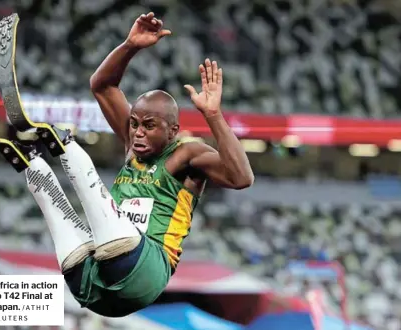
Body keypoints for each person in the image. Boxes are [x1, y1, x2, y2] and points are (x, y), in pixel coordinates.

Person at [24, 12, 253, 318]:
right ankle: (28, 160)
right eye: (133, 124)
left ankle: (64, 145)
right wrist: (130, 46)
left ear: (172, 131)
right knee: (55, 208)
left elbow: (242, 177)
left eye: (149, 126)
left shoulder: (186, 156)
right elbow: (102, 86)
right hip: (94, 286)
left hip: (146, 271)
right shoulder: (134, 144)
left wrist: (213, 116)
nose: (138, 133)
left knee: (92, 189)